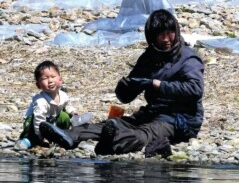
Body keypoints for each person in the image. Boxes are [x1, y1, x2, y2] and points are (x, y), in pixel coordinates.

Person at [39, 9, 204, 158]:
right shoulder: (150, 57)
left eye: (170, 33)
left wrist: (156, 84)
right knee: (112, 124)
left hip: (180, 120)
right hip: (153, 113)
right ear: (152, 36)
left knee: (144, 132)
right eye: (161, 35)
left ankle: (114, 143)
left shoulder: (188, 58)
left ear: (176, 31)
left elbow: (195, 90)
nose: (166, 39)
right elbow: (125, 96)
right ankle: (69, 136)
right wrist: (126, 87)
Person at [14, 60, 77, 150]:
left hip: (52, 122)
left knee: (65, 116)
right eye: (44, 79)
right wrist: (41, 137)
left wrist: (73, 112)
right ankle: (29, 140)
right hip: (35, 124)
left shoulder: (63, 95)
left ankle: (63, 134)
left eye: (53, 76)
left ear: (60, 79)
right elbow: (38, 120)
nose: (50, 81)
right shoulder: (41, 101)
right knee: (34, 135)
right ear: (38, 85)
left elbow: (67, 105)